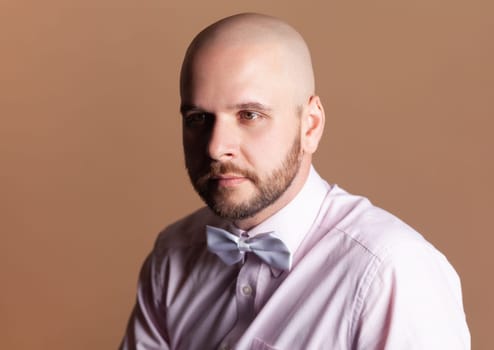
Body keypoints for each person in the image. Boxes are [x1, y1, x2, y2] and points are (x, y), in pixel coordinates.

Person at [120, 13, 470, 350]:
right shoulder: (173, 253)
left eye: (250, 115)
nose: (216, 147)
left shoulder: (392, 273)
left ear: (311, 126)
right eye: (198, 118)